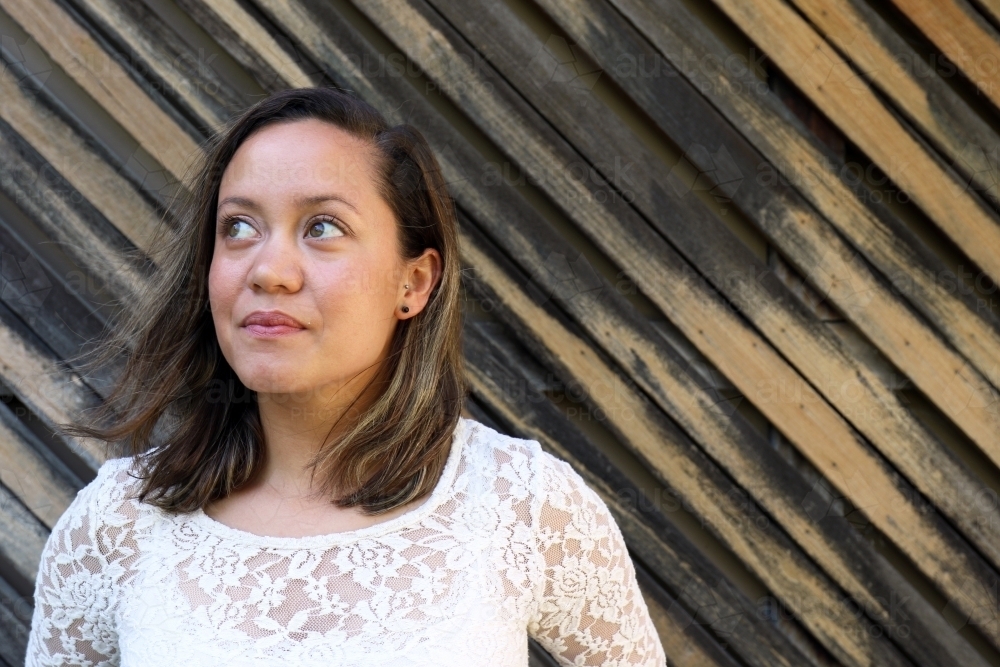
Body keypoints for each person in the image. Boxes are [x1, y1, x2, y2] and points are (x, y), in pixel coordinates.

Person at [24, 87, 667, 666]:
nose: (269, 270)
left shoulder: (524, 507)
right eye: (239, 227)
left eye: (323, 227)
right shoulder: (116, 525)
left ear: (412, 282)